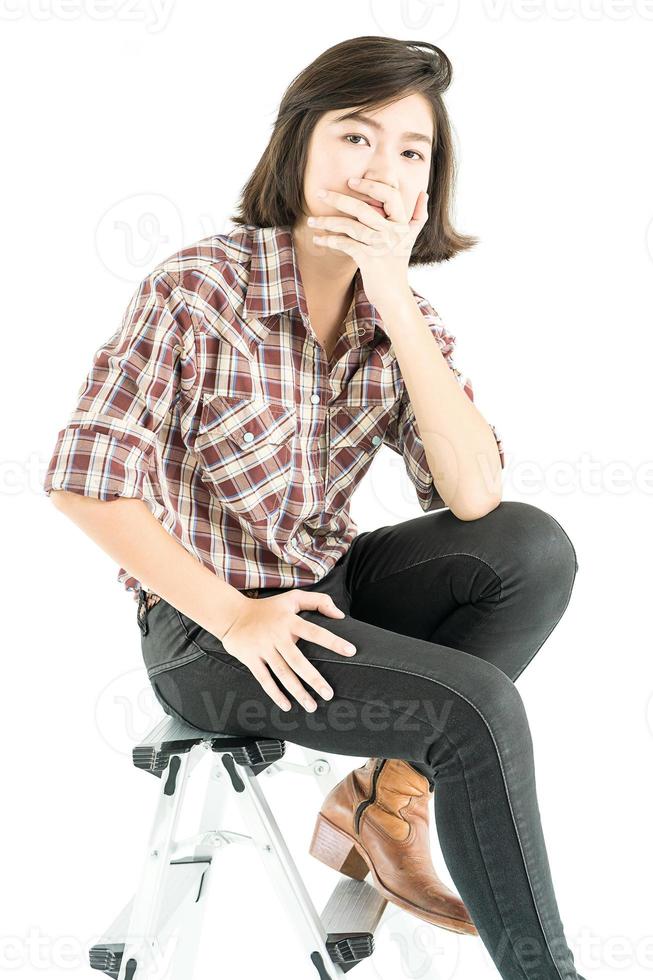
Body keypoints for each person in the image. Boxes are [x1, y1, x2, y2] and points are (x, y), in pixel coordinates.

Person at [43, 35, 587, 980]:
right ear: (298, 147)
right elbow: (83, 480)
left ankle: (380, 799)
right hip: (208, 633)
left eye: (410, 152)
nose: (380, 170)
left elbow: (472, 495)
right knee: (475, 707)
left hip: (328, 596)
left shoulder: (398, 319)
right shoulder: (200, 287)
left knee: (531, 548)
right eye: (355, 136)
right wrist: (235, 614)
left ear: (426, 192)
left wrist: (394, 296)